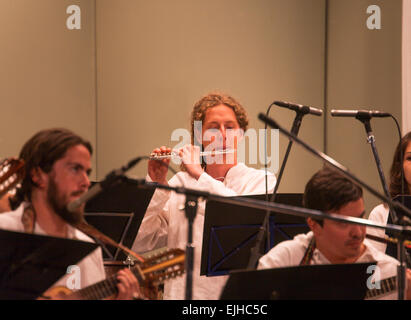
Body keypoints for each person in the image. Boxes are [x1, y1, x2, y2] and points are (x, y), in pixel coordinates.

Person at [132, 92, 277, 300]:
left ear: (242, 134)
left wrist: (200, 175)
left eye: (229, 127)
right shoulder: (180, 183)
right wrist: (157, 186)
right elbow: (141, 242)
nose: (222, 135)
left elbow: (237, 216)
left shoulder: (261, 180)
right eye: (213, 127)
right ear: (199, 136)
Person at [0, 128, 141, 300]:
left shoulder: (88, 249)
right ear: (37, 175)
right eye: (75, 169)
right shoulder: (6, 231)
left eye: (87, 172)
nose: (86, 182)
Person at [257, 166, 411, 300]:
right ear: (314, 225)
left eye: (360, 218)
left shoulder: (388, 271)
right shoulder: (285, 260)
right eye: (344, 223)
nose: (358, 232)